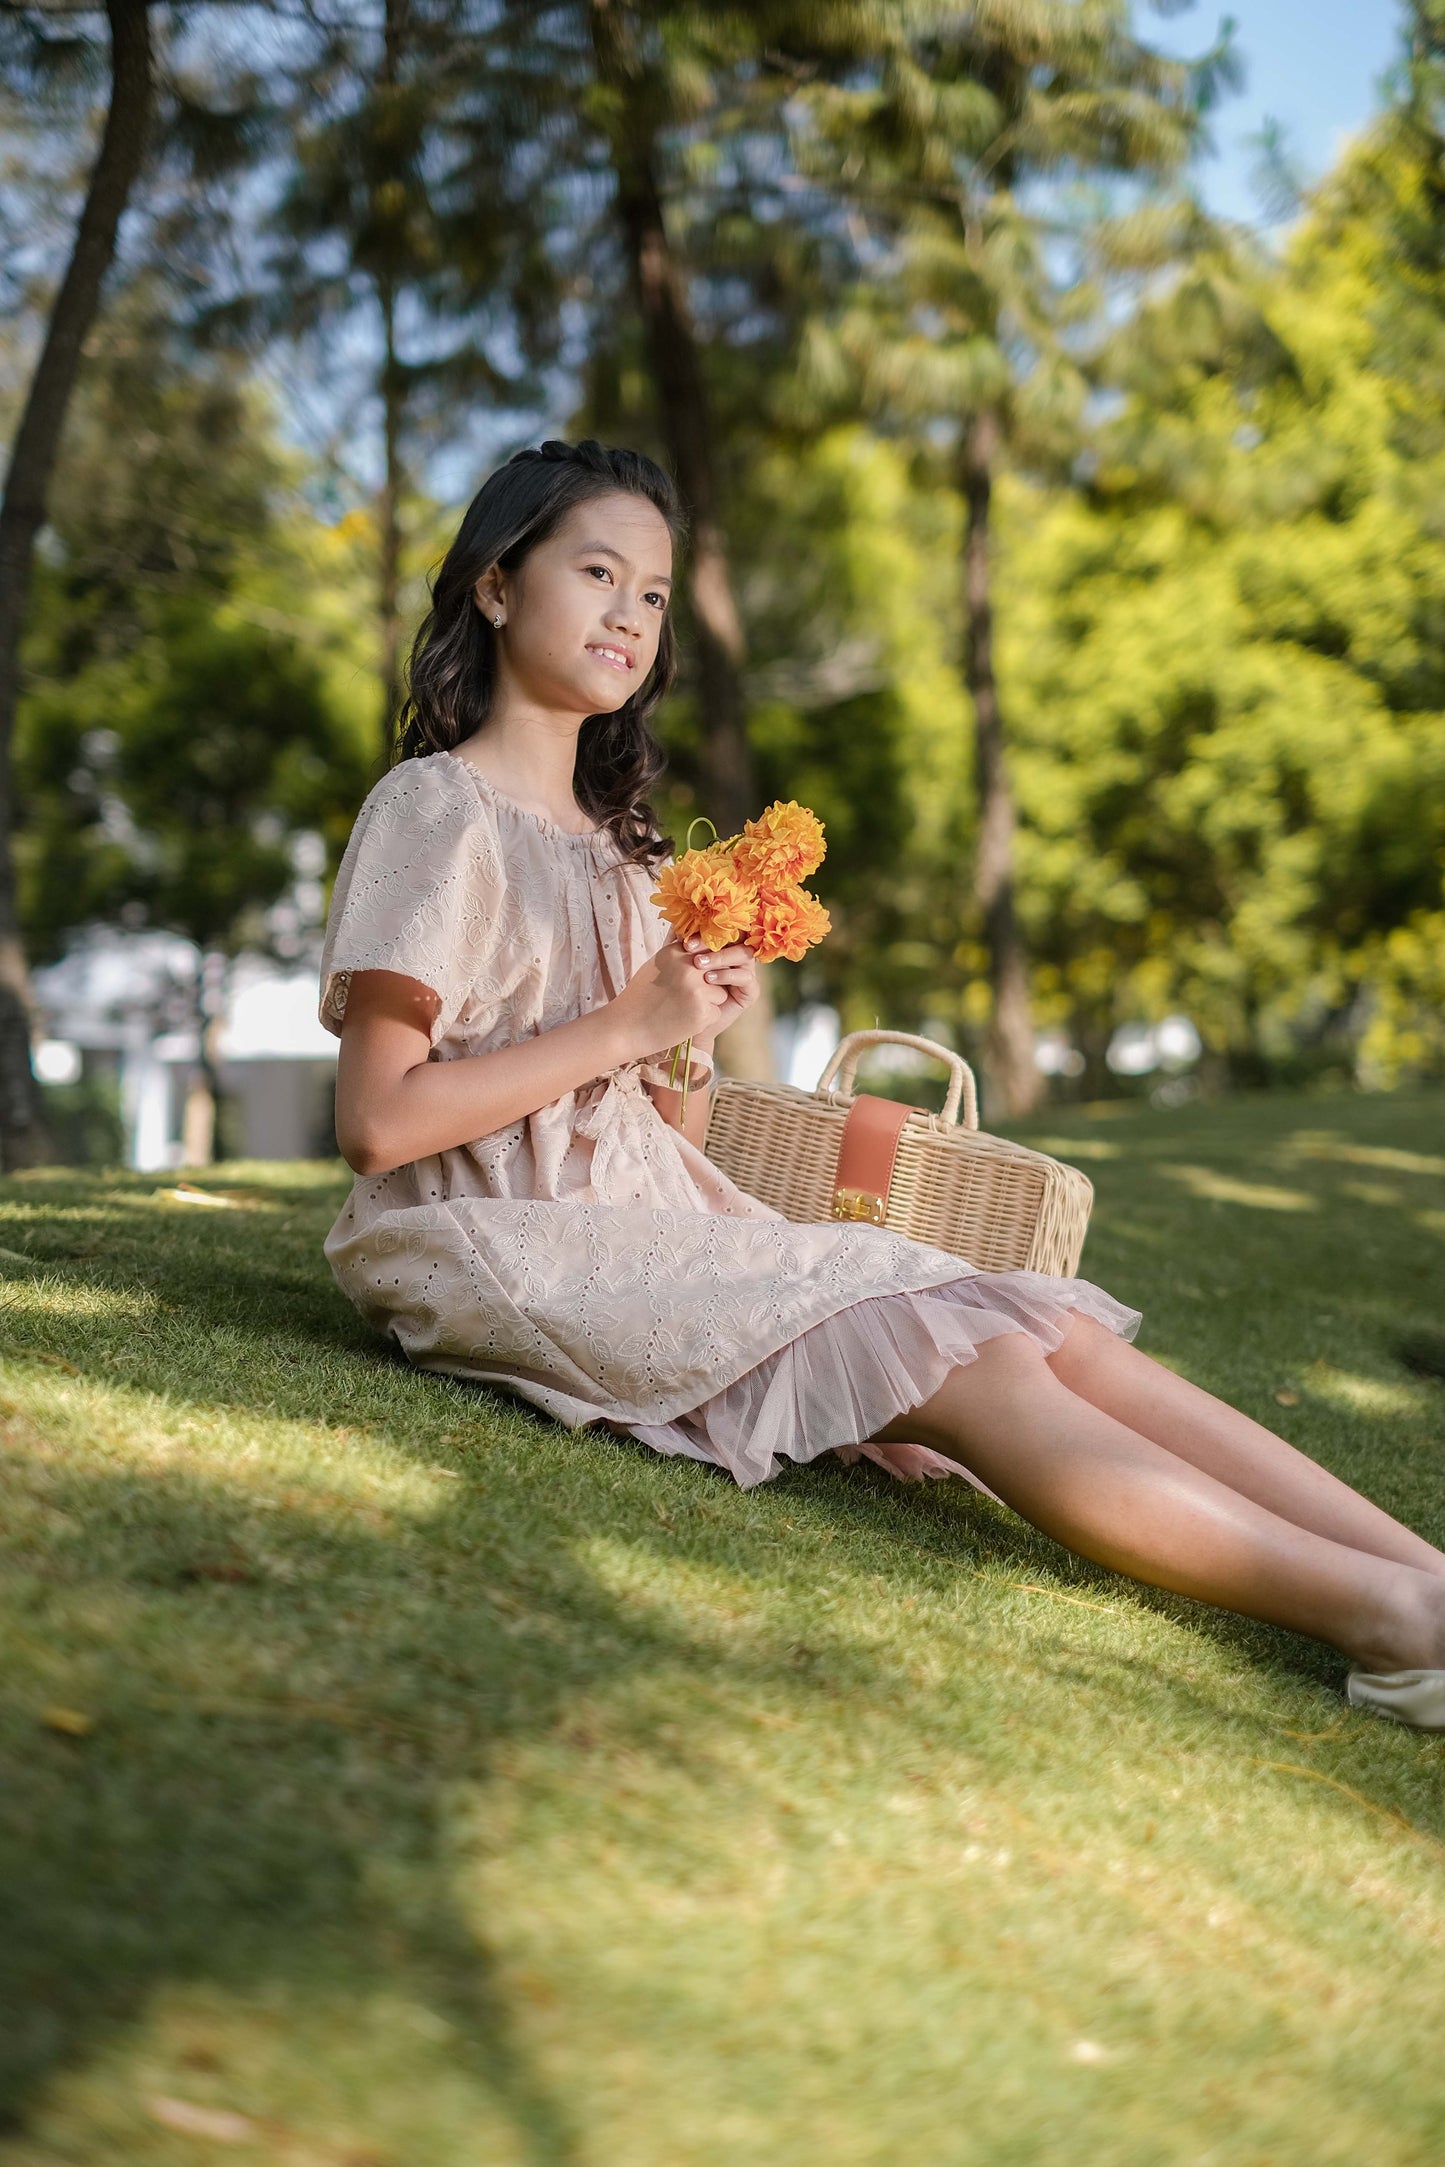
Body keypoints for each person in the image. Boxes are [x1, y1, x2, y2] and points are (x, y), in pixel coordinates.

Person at [317, 436, 1445, 1732]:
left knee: (1036, 1331)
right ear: (494, 586)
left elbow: (663, 1128)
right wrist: (628, 1024)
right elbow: (377, 1126)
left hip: (644, 1222)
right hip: (490, 1235)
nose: (630, 615)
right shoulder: (435, 811)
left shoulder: (631, 855)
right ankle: (1395, 1625)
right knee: (974, 1366)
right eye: (597, 573)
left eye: (654, 594)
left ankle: (1428, 1580)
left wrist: (686, 1033)